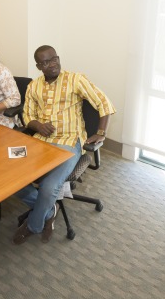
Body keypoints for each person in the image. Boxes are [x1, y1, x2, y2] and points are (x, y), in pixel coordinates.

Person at [13, 46, 116, 245]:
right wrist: (37, 125)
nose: (51, 65)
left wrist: (101, 133)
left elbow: (104, 103)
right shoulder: (34, 86)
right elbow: (27, 115)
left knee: (49, 186)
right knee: (11, 179)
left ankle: (34, 225)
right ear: (38, 66)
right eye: (44, 62)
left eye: (53, 59)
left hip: (69, 142)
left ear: (58, 58)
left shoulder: (75, 79)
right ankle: (49, 209)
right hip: (41, 141)